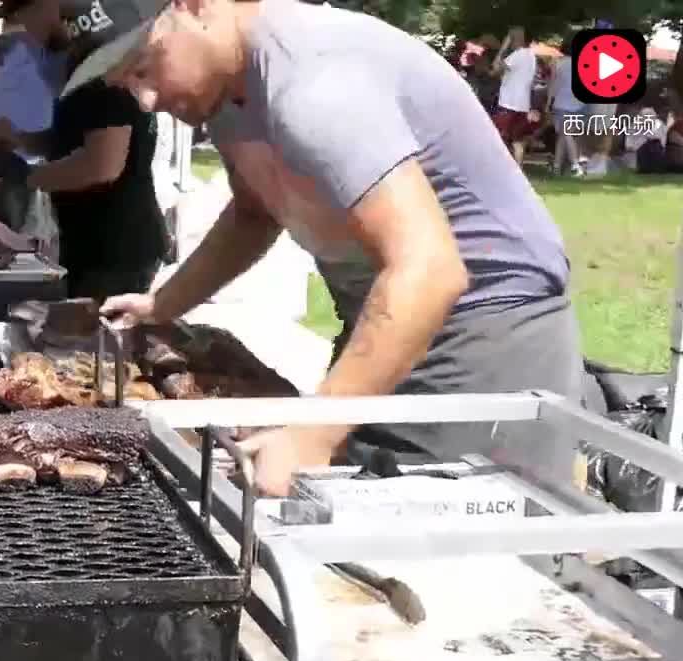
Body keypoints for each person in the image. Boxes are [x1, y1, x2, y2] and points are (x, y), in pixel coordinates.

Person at [70, 0, 579, 496]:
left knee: (443, 565)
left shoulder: (314, 83)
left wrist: (314, 434)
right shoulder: (229, 92)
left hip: (482, 345)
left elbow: (430, 270)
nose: (145, 100)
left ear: (195, 7)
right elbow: (255, 212)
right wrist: (164, 304)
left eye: (144, 68)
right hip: (388, 326)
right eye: (126, 83)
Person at [0, 0, 167, 300]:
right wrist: (19, 140)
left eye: (23, 18)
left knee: (90, 344)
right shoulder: (78, 64)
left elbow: (102, 164)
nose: (25, 32)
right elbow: (75, 137)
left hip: (115, 250)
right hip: (90, 243)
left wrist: (28, 176)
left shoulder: (102, 64)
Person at [0, 0, 68, 234]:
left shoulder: (15, 48)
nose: (25, 22)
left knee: (13, 238)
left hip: (27, 160)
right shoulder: (12, 47)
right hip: (18, 157)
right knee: (11, 239)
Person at [491, 26, 539, 164]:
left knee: (499, 136)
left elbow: (495, 70)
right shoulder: (531, 56)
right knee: (517, 140)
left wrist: (502, 49)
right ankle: (518, 171)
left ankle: (500, 167)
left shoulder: (517, 55)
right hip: (523, 104)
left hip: (508, 102)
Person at [547, 35, 585, 176]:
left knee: (566, 134)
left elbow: (553, 86)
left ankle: (576, 165)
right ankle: (557, 167)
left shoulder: (557, 63)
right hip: (578, 104)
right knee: (564, 136)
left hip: (562, 103)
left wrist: (548, 104)